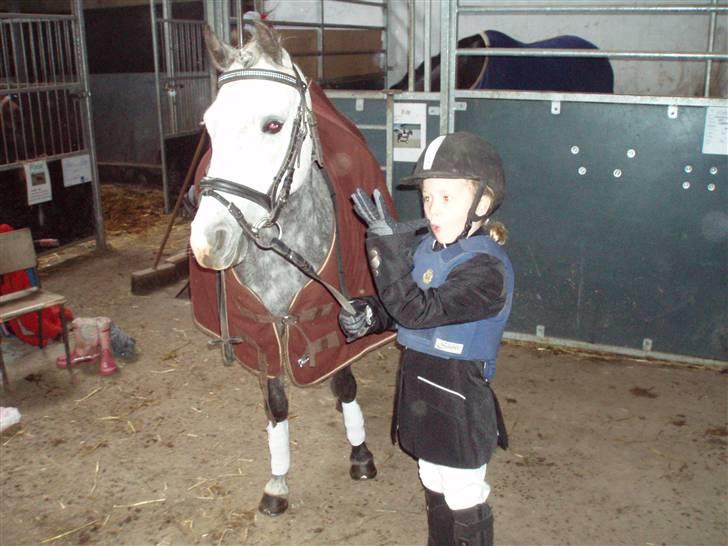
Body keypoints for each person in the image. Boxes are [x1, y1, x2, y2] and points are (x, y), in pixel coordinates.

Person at [339, 132, 513, 546]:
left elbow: (420, 310)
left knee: (463, 494)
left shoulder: (486, 270)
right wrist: (369, 313)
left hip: (458, 398)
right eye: (428, 198)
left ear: (482, 204)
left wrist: (383, 250)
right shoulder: (426, 250)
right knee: (432, 480)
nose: (432, 209)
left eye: (447, 198)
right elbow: (403, 308)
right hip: (419, 387)